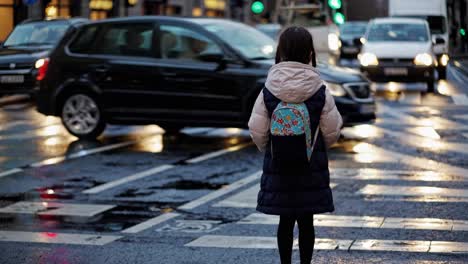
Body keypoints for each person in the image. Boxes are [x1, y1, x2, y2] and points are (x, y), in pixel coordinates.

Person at [248, 26, 343, 264]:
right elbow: (333, 129)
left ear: (281, 50)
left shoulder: (270, 87)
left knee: (285, 221)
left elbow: (256, 129)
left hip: (279, 164)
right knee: (307, 222)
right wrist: (317, 146)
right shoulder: (319, 87)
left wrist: (270, 148)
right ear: (309, 52)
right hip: (310, 165)